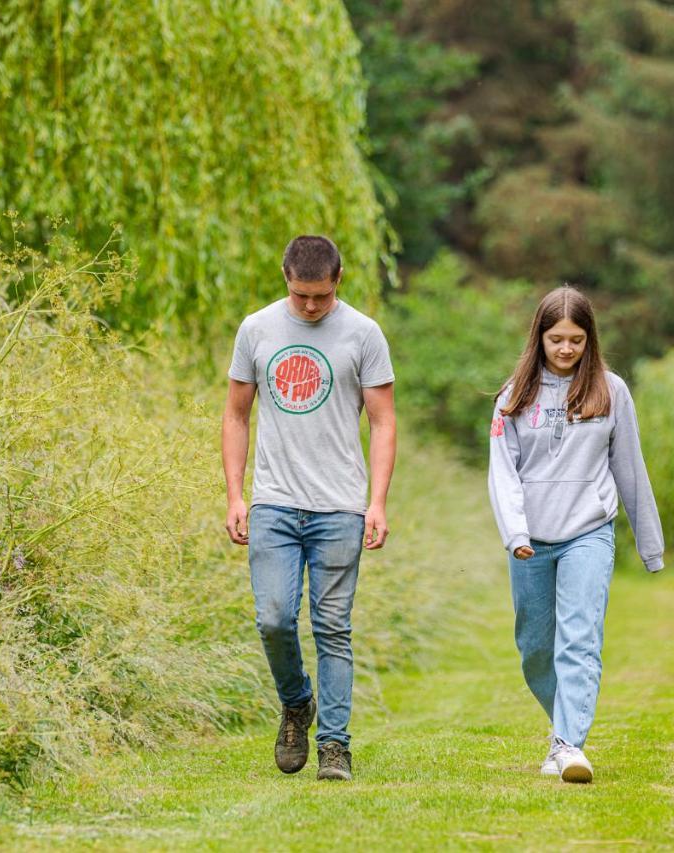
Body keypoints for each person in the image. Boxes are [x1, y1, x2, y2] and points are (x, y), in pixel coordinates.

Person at [222, 235, 396, 782]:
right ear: (285, 279)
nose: (312, 307)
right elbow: (235, 415)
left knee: (332, 627)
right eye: (301, 296)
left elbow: (384, 421)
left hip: (340, 505)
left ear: (338, 279)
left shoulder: (364, 334)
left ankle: (335, 746)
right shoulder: (257, 329)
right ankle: (297, 701)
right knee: (273, 618)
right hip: (274, 500)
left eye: (321, 296)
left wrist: (377, 502)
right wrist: (234, 493)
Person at [488, 285, 664, 784]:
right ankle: (560, 728)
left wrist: (650, 547)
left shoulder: (611, 391)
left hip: (589, 531)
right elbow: (503, 473)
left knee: (579, 639)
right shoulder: (513, 397)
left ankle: (569, 744)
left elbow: (630, 469)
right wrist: (515, 533)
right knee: (536, 646)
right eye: (557, 339)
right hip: (530, 542)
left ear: (591, 341)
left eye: (577, 340)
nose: (566, 349)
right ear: (539, 338)